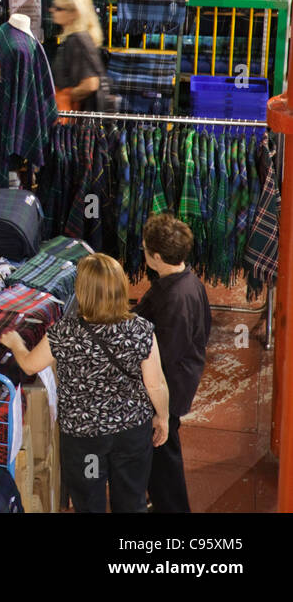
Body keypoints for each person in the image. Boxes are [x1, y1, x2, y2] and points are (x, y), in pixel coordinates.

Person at [0, 253, 170, 512]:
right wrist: (163, 417)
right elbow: (156, 385)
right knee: (131, 500)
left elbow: (30, 365)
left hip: (84, 439)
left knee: (89, 502)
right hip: (131, 432)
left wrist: (16, 344)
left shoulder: (64, 332)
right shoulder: (141, 330)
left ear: (82, 291)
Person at [137, 213, 212, 512]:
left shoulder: (174, 299)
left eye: (145, 249)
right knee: (162, 453)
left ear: (156, 257)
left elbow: (165, 357)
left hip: (168, 390)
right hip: (177, 382)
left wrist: (160, 409)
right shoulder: (188, 283)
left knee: (163, 453)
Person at [49, 0, 106, 112]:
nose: (52, 10)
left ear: (74, 13)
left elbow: (91, 84)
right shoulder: (78, 38)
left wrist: (65, 97)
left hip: (75, 118)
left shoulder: (77, 40)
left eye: (58, 8)